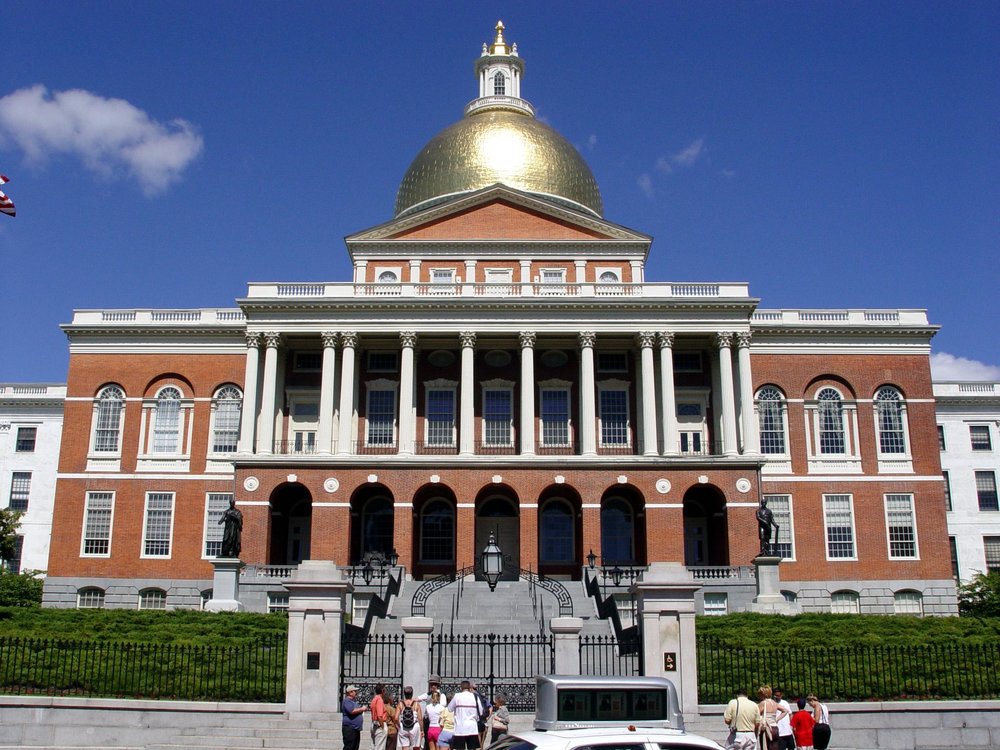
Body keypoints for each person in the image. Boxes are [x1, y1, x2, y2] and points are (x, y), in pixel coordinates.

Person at [447, 680, 482, 750]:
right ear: (469, 687)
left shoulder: (457, 696)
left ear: (461, 688)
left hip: (460, 728)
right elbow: (481, 712)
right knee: (472, 748)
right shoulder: (475, 697)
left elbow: (449, 709)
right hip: (472, 728)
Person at [756, 685, 788, 750]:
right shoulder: (774, 703)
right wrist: (776, 719)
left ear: (763, 694)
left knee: (765, 746)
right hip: (775, 727)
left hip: (766, 728)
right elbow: (785, 710)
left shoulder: (763, 703)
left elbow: (756, 715)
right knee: (774, 747)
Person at [396, 685, 424, 750]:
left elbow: (396, 718)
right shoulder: (416, 704)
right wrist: (422, 730)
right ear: (412, 694)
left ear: (404, 694)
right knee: (416, 746)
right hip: (415, 727)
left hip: (403, 727)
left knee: (405, 747)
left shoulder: (400, 704)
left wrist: (398, 726)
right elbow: (420, 719)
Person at [341, 685, 368, 750]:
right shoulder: (347, 701)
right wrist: (362, 709)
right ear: (350, 692)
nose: (356, 692)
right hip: (350, 728)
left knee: (355, 747)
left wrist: (361, 710)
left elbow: (357, 711)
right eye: (355, 691)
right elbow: (351, 711)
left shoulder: (354, 702)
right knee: (349, 747)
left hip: (355, 728)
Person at [424, 686, 446, 750]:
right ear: (439, 698)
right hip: (438, 729)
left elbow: (426, 716)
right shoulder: (442, 708)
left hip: (430, 729)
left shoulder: (428, 707)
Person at [371, 683, 390, 750]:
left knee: (375, 746)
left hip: (374, 723)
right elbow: (379, 716)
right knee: (380, 747)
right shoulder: (379, 700)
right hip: (379, 724)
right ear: (382, 691)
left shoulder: (374, 699)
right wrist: (383, 727)